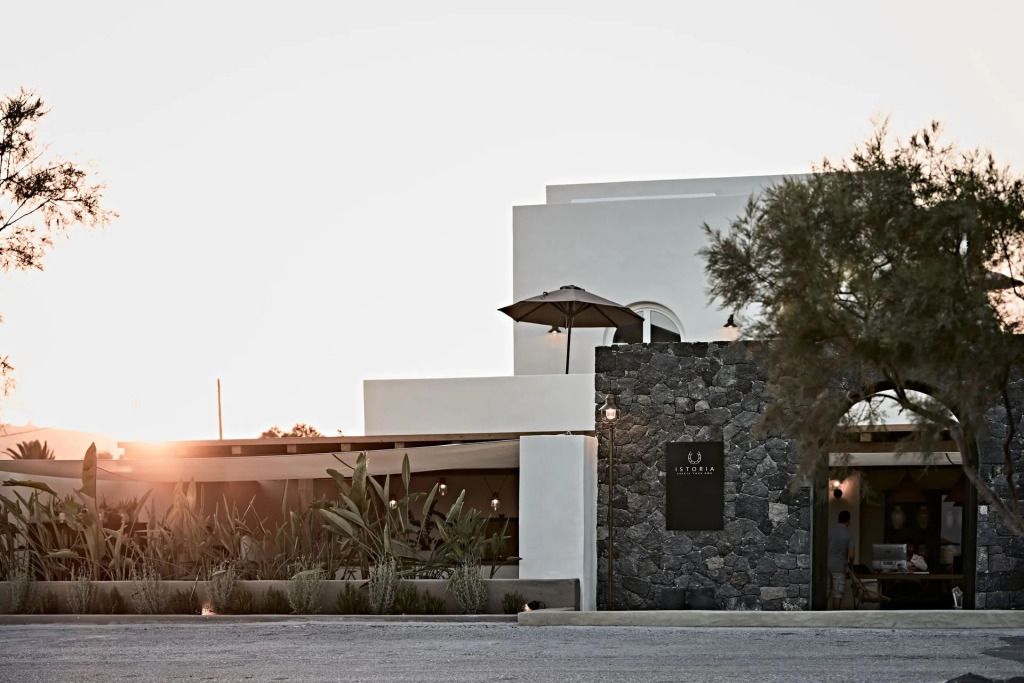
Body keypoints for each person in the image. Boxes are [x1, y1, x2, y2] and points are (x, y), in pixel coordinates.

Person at [828, 510, 855, 609]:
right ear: (848, 520)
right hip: (839, 568)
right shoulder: (848, 534)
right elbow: (851, 555)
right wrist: (850, 566)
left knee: (826, 593)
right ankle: (835, 619)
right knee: (837, 595)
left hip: (826, 566)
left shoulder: (829, 531)